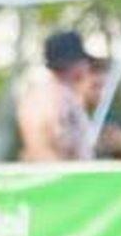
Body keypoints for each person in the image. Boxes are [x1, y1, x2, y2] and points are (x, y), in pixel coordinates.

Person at [17, 30, 96, 162]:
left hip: (41, 175)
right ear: (73, 62)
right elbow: (63, 139)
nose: (87, 66)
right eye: (83, 60)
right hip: (68, 176)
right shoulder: (64, 98)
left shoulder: (32, 97)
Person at [80, 57, 121, 160]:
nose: (101, 93)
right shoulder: (70, 112)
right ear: (79, 83)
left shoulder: (105, 116)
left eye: (104, 87)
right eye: (95, 86)